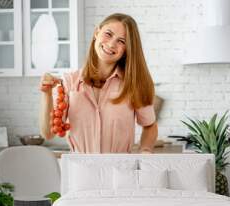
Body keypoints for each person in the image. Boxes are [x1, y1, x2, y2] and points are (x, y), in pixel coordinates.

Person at [39, 13, 158, 153]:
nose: (112, 44)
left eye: (122, 41)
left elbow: (150, 126)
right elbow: (48, 133)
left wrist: (145, 150)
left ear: (126, 50)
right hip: (80, 170)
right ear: (97, 32)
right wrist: (46, 93)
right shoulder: (69, 81)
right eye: (108, 34)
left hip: (121, 170)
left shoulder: (134, 84)